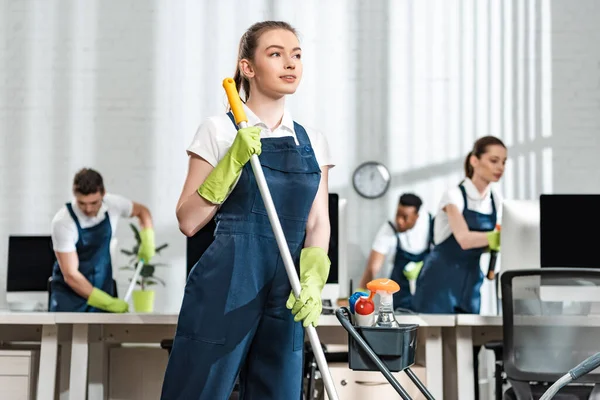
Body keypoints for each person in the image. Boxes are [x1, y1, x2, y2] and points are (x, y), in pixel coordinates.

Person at [160, 21, 334, 399]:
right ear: (247, 67)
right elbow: (188, 221)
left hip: (287, 283)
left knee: (279, 391)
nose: (290, 64)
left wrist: (314, 279)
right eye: (275, 54)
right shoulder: (219, 131)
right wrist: (230, 164)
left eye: (296, 55)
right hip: (229, 280)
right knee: (200, 388)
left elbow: (318, 221)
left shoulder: (312, 140)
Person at [412, 135, 506, 315]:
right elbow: (464, 239)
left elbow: (485, 243)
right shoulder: (453, 196)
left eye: (504, 162)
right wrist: (496, 237)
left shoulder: (495, 201)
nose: (500, 167)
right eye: (494, 161)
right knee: (435, 341)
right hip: (440, 281)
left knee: (469, 342)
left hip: (471, 283)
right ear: (474, 161)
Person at [50, 168, 155, 313]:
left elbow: (142, 212)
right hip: (69, 297)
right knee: (67, 335)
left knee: (104, 336)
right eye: (82, 203)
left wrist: (148, 239)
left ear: (103, 194)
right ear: (74, 195)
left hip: (102, 287)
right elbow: (71, 275)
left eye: (94, 203)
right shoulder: (63, 222)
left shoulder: (113, 205)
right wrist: (108, 303)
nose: (88, 209)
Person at [358, 193, 433, 310]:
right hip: (399, 298)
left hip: (425, 296)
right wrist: (361, 292)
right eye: (397, 214)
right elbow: (373, 268)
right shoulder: (389, 228)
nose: (399, 221)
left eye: (405, 217)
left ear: (416, 216)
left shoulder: (431, 224)